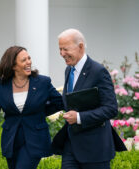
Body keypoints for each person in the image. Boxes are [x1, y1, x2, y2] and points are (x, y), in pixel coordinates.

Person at [0, 46, 64, 169]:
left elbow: (60, 102)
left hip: (35, 140)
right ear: (13, 65)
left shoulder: (42, 82)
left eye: (29, 58)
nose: (29, 62)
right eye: (24, 60)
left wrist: (40, 112)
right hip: (11, 141)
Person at [52, 29, 126, 169]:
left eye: (65, 49)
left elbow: (110, 109)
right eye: (60, 49)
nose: (62, 54)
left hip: (95, 149)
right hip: (71, 146)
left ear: (80, 47)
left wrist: (79, 117)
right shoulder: (69, 70)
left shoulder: (98, 71)